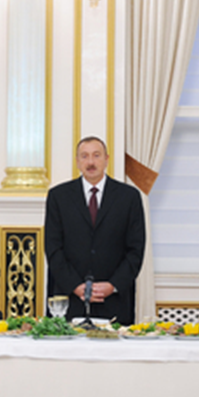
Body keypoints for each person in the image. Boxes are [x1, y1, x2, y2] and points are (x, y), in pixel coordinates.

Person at [44, 136, 145, 325]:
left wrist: (113, 285)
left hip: (114, 302)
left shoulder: (129, 197)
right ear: (77, 162)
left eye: (96, 155)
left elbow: (135, 250)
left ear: (106, 160)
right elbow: (53, 248)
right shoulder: (58, 197)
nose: (90, 162)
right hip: (69, 300)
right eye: (84, 156)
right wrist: (75, 286)